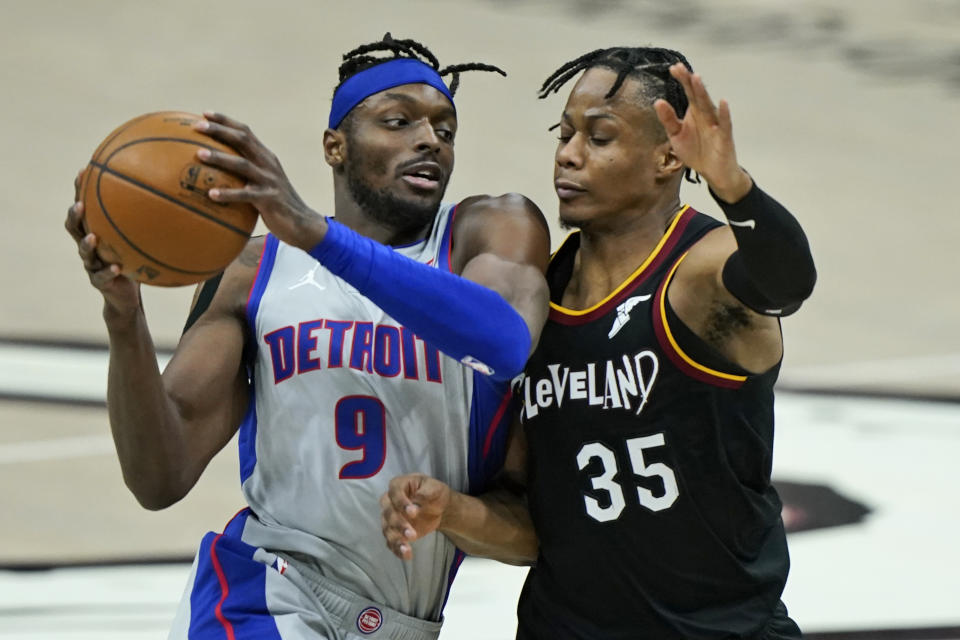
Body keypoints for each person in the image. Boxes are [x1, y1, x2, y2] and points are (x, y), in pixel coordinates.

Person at [64, 33, 550, 640]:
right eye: (397, 121)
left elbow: (503, 344)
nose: (429, 139)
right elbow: (159, 477)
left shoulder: (488, 230)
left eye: (444, 130)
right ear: (335, 147)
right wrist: (123, 317)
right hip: (266, 593)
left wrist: (316, 233)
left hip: (406, 621)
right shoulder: (251, 271)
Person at [380, 46, 817, 639]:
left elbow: (786, 283)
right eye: (563, 134)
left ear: (668, 155)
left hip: (722, 628)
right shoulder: (535, 300)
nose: (568, 154)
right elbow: (531, 523)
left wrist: (733, 187)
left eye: (600, 137)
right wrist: (448, 511)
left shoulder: (698, 272)